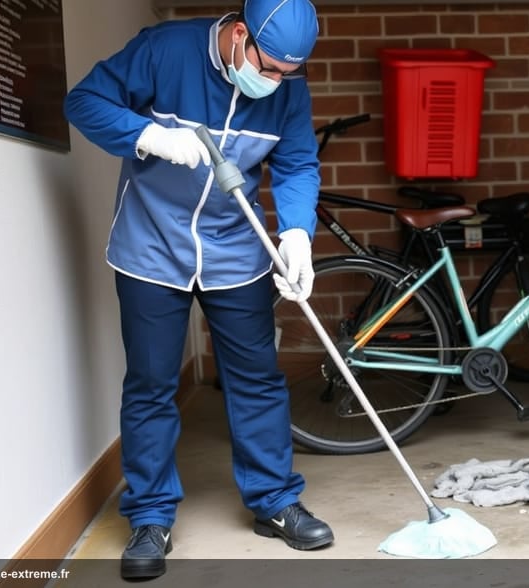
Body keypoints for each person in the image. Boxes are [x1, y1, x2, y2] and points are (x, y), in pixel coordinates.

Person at [63, 0, 330, 580]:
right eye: (271, 67)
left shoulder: (287, 87)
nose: (278, 82)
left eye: (291, 73)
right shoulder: (164, 50)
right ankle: (151, 517)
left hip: (237, 251)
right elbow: (82, 101)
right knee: (152, 384)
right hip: (149, 247)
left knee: (257, 378)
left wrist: (297, 234)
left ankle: (275, 502)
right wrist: (147, 135)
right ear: (239, 35)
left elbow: (297, 163)